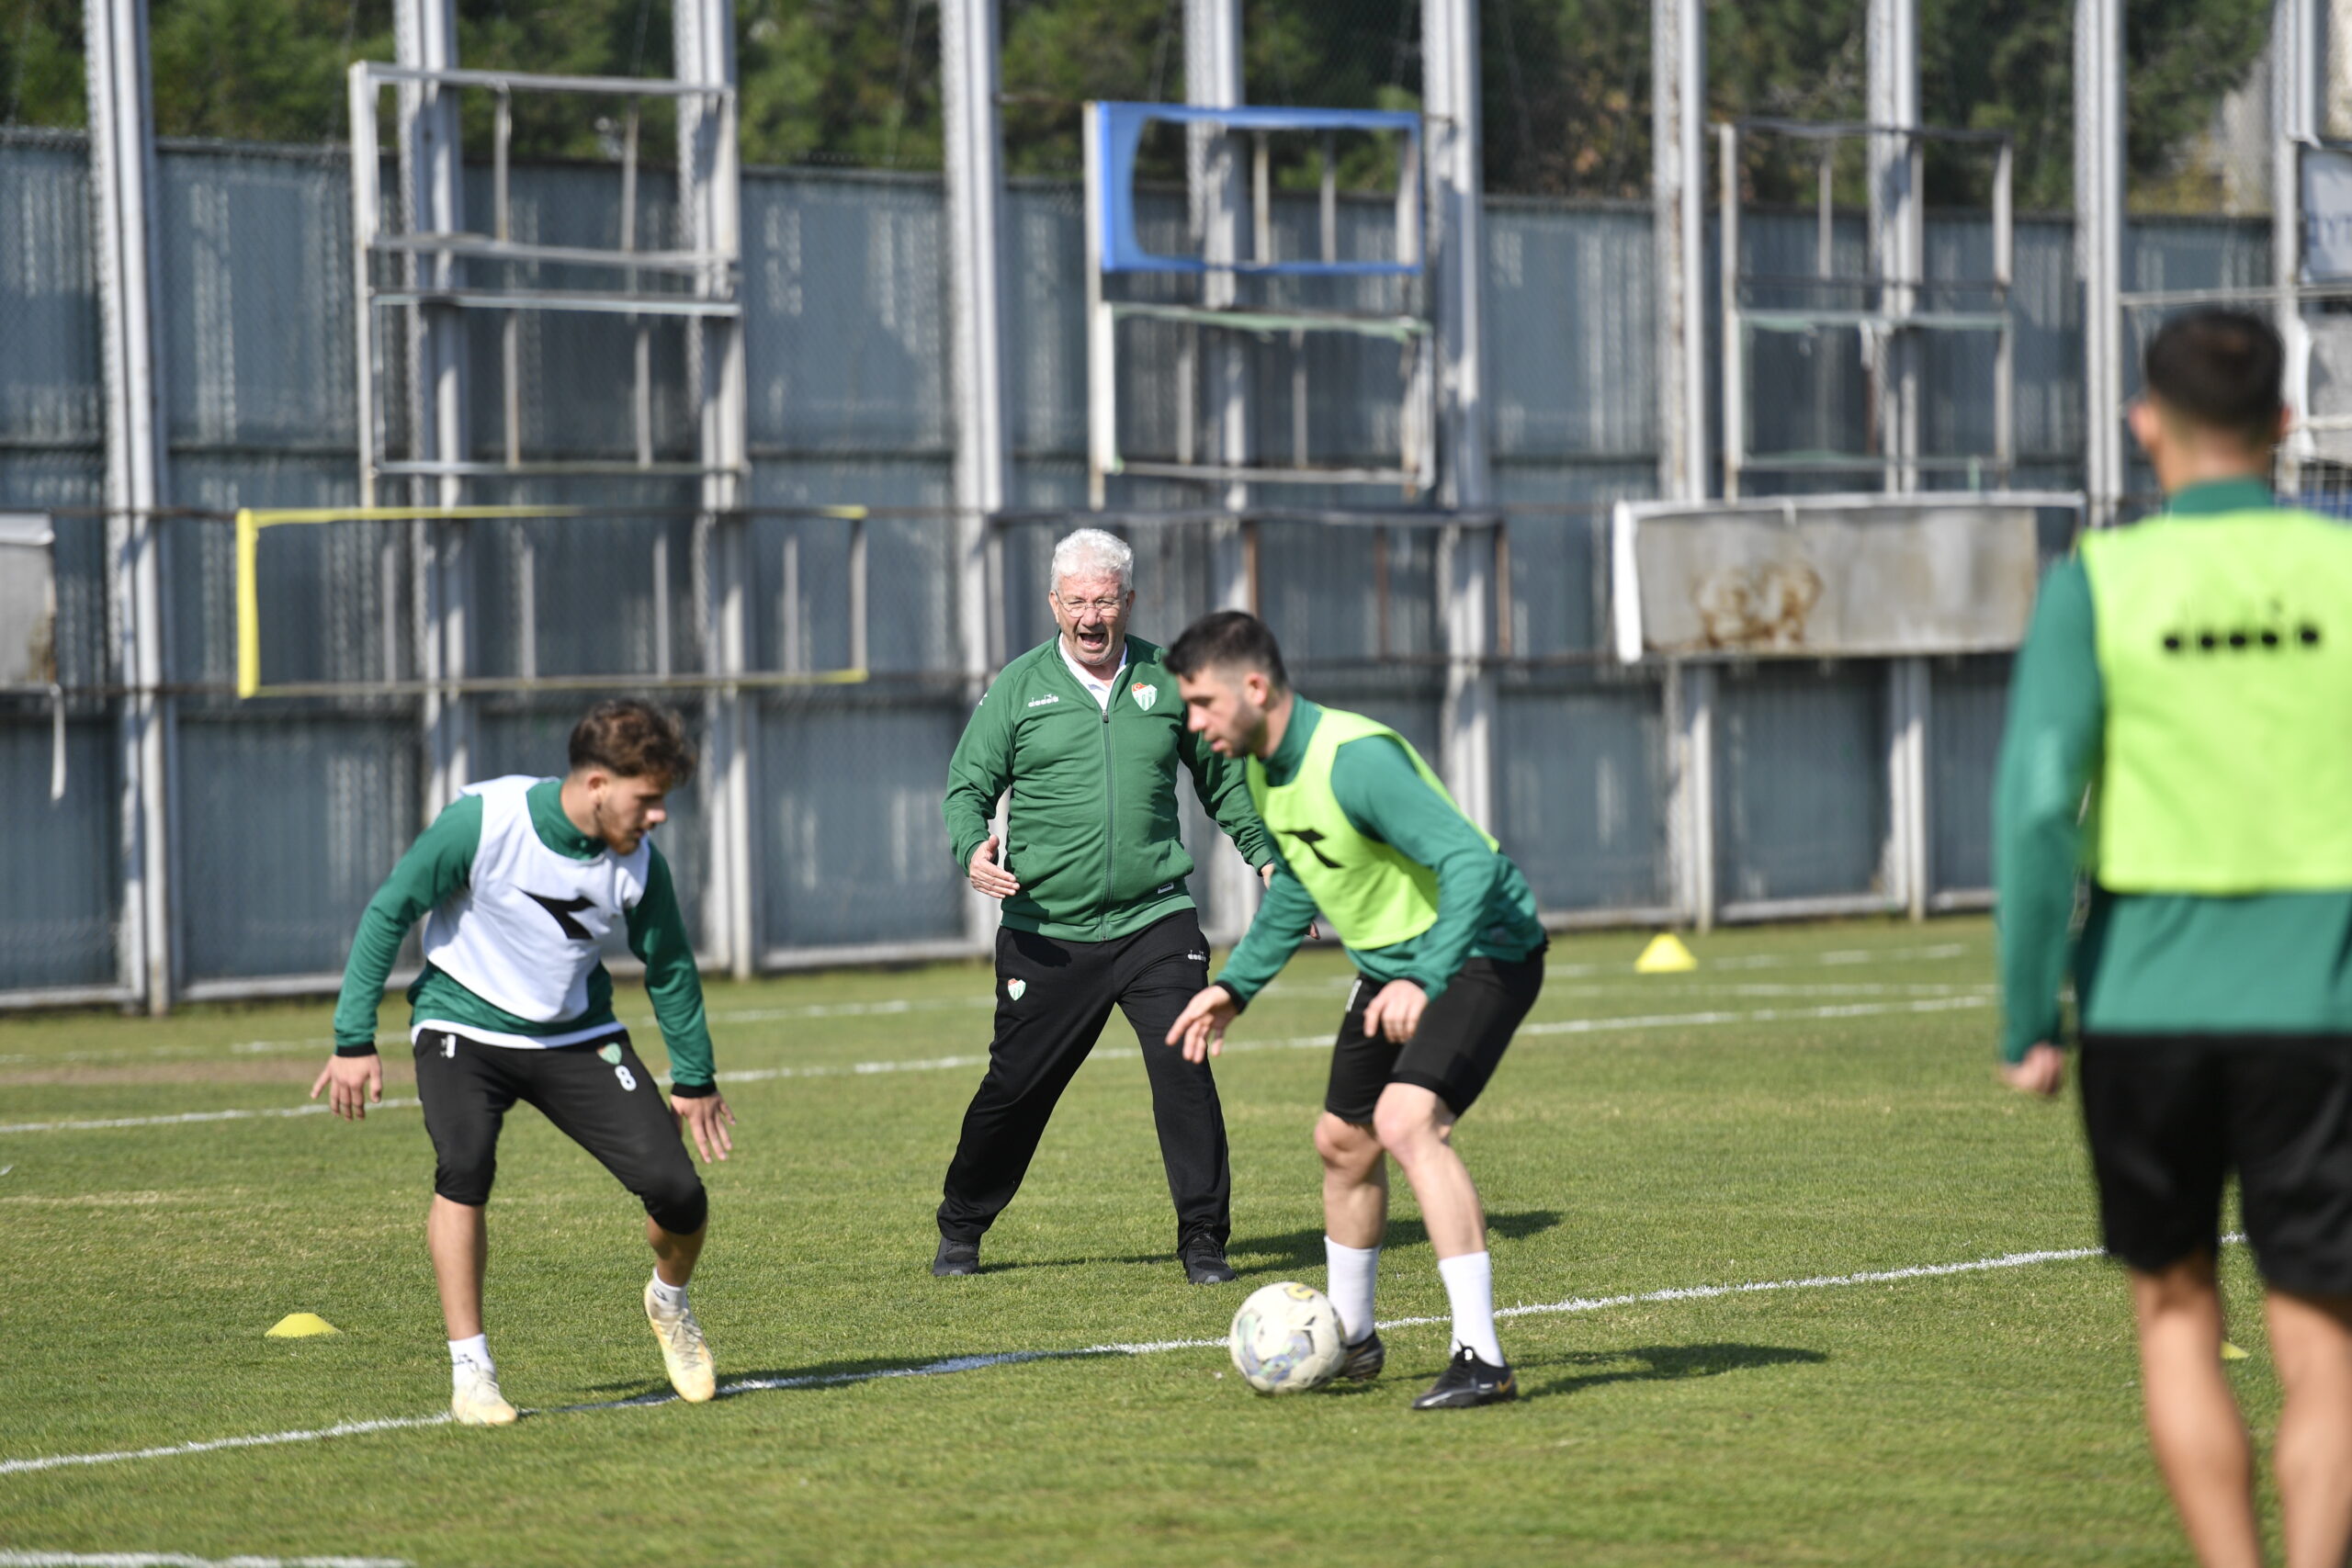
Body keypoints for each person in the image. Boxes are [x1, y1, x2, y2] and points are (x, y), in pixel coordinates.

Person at [1995, 307, 2352, 1568]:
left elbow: (2040, 807)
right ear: (2286, 428)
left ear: (2147, 421)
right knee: (2325, 1337)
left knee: (2175, 1312)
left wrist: (2029, 1015)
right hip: (2323, 1007)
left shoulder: (2100, 579)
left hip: (2148, 1007)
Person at [1160, 610, 1549, 1409]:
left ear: (1255, 687)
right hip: (1392, 964)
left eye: (1200, 703)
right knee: (1342, 1142)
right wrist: (1235, 988)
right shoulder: (1267, 772)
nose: (1192, 722)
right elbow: (1300, 886)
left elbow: (1470, 861)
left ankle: (1482, 1357)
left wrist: (1426, 975)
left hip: (1482, 948)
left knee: (1407, 1122)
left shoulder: (1355, 759)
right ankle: (1354, 1340)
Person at [311, 699, 737, 1426]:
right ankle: (472, 1371)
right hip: (461, 1026)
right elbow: (391, 908)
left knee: (680, 1193)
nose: (659, 815)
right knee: (464, 1168)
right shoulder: (485, 819)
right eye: (649, 798)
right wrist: (354, 1038)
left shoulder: (638, 862)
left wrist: (694, 1077)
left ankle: (669, 1302)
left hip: (575, 1036)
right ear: (598, 783)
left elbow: (668, 964)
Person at [936, 528, 1279, 1283]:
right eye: (1077, 601)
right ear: (1054, 603)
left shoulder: (1168, 680)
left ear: (1129, 599)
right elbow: (967, 790)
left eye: (1105, 600)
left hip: (1155, 921)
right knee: (1017, 1087)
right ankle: (962, 1224)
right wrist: (973, 849)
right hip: (1046, 935)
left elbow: (1222, 783)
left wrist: (1262, 853)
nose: (1092, 616)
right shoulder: (1020, 687)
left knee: (1185, 1064)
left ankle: (1203, 1239)